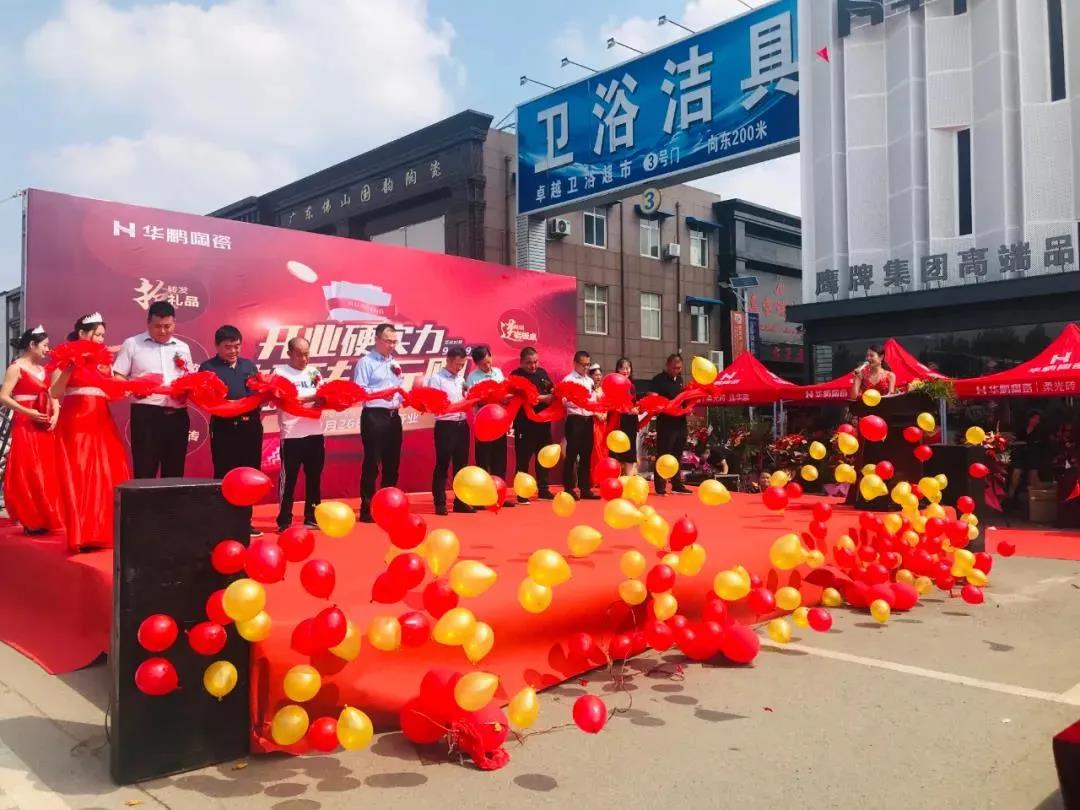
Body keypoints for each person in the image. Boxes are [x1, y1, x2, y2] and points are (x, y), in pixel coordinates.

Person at [50, 313, 131, 552]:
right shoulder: (64, 355)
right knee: (80, 473)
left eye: (103, 336)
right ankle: (82, 534)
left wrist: (129, 389)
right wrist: (70, 365)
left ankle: (101, 532)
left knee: (106, 473)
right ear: (83, 333)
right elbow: (55, 392)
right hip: (76, 421)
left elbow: (110, 392)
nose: (101, 340)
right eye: (97, 335)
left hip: (101, 419)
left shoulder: (103, 362)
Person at [112, 301, 194, 478]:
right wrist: (132, 388)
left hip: (177, 414)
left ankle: (171, 498)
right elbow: (118, 375)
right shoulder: (132, 344)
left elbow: (190, 377)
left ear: (174, 323)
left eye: (167, 326)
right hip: (146, 415)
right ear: (148, 323)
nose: (163, 331)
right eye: (157, 326)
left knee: (174, 471)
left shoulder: (182, 347)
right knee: (145, 469)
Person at [200, 325, 264, 536]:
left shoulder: (248, 366)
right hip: (224, 428)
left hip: (250, 427)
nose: (233, 351)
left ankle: (245, 521)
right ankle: (223, 521)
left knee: (249, 474)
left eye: (237, 346)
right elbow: (207, 399)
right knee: (224, 473)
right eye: (228, 347)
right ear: (217, 346)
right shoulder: (208, 368)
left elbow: (258, 393)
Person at [0, 326, 63, 534]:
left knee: (45, 469)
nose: (47, 349)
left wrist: (56, 413)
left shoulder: (43, 370)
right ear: (32, 345)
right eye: (44, 345)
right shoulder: (16, 367)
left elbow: (52, 394)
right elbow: (3, 397)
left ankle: (44, 515)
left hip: (43, 423)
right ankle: (30, 518)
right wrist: (27, 412)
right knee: (28, 469)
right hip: (25, 423)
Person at [352, 323, 404, 523]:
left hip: (393, 416)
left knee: (393, 463)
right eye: (388, 341)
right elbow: (360, 391)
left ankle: (389, 506)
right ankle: (367, 508)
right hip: (374, 416)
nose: (392, 345)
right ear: (377, 339)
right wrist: (382, 394)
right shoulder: (366, 362)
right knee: (372, 463)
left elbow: (398, 389)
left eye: (394, 342)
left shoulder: (395, 363)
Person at [273, 338, 325, 533]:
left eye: (306, 354)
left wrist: (323, 400)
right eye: (299, 355)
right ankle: (284, 520)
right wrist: (311, 398)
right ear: (289, 354)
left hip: (315, 431)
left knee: (314, 477)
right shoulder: (280, 373)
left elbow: (324, 395)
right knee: (289, 480)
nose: (304, 359)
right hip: (292, 435)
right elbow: (285, 400)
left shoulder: (314, 372)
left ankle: (312, 517)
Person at [466, 344, 513, 508]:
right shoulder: (472, 377)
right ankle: (482, 497)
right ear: (476, 363)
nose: (487, 365)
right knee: (483, 460)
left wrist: (506, 398)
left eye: (488, 361)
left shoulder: (498, 372)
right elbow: (472, 401)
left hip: (499, 421)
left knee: (500, 459)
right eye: (483, 364)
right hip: (483, 423)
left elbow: (504, 394)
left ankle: (499, 495)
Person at [427, 347, 472, 515]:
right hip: (446, 426)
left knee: (462, 465)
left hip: (462, 424)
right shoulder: (436, 379)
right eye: (457, 364)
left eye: (462, 365)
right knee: (443, 464)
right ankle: (440, 503)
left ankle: (461, 501)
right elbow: (436, 405)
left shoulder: (461, 379)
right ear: (448, 361)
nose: (459, 368)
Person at [510, 346, 555, 504]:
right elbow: (526, 397)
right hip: (525, 424)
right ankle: (522, 493)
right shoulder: (516, 376)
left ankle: (543, 489)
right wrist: (545, 398)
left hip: (543, 423)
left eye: (536, 362)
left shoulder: (542, 373)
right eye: (529, 363)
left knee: (543, 457)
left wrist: (557, 392)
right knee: (523, 459)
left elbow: (550, 388)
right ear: (521, 362)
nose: (533, 366)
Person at [650, 354, 691, 495]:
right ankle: (660, 486)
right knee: (664, 453)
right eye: (674, 368)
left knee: (677, 454)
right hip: (666, 423)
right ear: (667, 366)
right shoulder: (658, 380)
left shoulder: (680, 380)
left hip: (680, 422)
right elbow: (652, 399)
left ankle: (677, 484)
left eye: (679, 368)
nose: (676, 371)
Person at [562, 350, 599, 500]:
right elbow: (564, 401)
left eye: (588, 364)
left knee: (586, 455)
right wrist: (579, 400)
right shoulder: (569, 380)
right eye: (583, 365)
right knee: (571, 455)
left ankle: (585, 488)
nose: (586, 367)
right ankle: (569, 488)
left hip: (588, 419)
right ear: (575, 364)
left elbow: (593, 399)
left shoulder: (590, 381)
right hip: (575, 419)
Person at [609, 357, 639, 476]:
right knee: (616, 451)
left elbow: (633, 403)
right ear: (617, 370)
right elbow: (612, 404)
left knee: (630, 452)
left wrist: (637, 408)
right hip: (618, 422)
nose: (626, 371)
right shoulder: (613, 384)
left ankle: (629, 479)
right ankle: (614, 479)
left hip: (631, 422)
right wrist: (627, 410)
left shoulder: (632, 386)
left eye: (628, 368)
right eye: (623, 368)